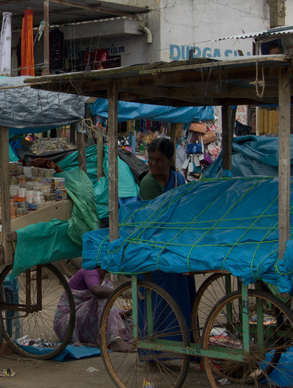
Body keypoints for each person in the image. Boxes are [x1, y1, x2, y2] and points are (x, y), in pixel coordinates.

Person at [138, 137, 196, 345]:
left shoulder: (179, 179)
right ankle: (155, 349)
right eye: (151, 159)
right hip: (152, 246)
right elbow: (154, 220)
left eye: (159, 160)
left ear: (170, 161)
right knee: (157, 297)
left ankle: (183, 342)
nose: (154, 164)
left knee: (182, 286)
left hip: (174, 244)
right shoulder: (149, 183)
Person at [53, 267, 132, 351]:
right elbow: (96, 291)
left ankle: (115, 338)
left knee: (130, 323)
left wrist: (126, 313)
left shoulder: (106, 283)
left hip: (83, 322)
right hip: (67, 324)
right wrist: (121, 293)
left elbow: (103, 312)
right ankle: (114, 341)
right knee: (103, 298)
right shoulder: (89, 270)